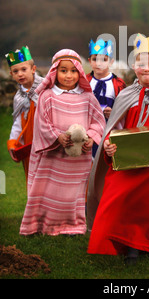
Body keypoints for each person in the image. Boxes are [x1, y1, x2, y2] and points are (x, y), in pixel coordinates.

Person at [87, 34, 149, 265]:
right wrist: (109, 145)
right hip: (131, 162)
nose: (146, 69)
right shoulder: (125, 95)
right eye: (141, 64)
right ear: (134, 66)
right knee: (129, 202)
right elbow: (115, 128)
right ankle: (131, 246)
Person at [19, 49, 105, 236]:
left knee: (73, 194)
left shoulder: (87, 98)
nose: (69, 75)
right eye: (63, 70)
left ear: (80, 73)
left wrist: (90, 137)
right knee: (49, 191)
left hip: (78, 158)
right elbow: (42, 123)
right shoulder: (48, 96)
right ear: (54, 72)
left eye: (73, 71)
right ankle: (43, 224)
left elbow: (98, 122)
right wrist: (57, 136)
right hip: (54, 156)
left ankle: (73, 226)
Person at [5, 46, 43, 184]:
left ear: (33, 69)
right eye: (15, 71)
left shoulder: (45, 88)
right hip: (29, 143)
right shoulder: (18, 98)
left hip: (46, 141)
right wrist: (13, 142)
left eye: (23, 69)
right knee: (33, 178)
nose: (20, 74)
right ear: (11, 74)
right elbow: (18, 123)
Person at [87, 38, 126, 156]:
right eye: (95, 59)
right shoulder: (85, 81)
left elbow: (125, 109)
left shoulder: (118, 84)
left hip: (109, 131)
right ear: (89, 61)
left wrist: (114, 112)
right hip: (88, 130)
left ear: (111, 61)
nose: (99, 63)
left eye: (103, 60)